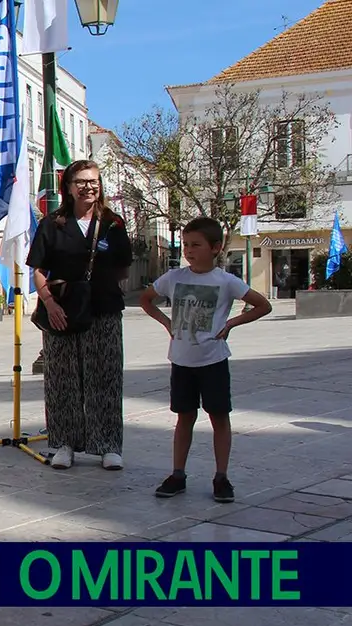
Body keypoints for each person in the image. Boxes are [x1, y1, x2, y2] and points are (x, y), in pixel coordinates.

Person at [139, 217, 271, 503]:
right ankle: (178, 474)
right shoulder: (174, 278)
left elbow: (263, 305)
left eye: (195, 245)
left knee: (219, 418)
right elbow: (146, 299)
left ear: (215, 247)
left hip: (213, 361)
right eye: (185, 245)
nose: (188, 250)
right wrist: (166, 322)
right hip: (181, 361)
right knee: (184, 417)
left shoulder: (226, 281)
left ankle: (221, 477)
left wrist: (233, 322)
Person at [26, 159, 133, 471]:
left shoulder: (113, 223)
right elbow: (38, 270)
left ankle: (108, 445)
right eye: (81, 182)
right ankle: (64, 443)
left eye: (94, 181)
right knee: (62, 380)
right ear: (68, 188)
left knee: (106, 377)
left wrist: (100, 287)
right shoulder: (52, 225)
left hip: (104, 309)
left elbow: (123, 266)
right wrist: (50, 302)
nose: (89, 187)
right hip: (62, 312)